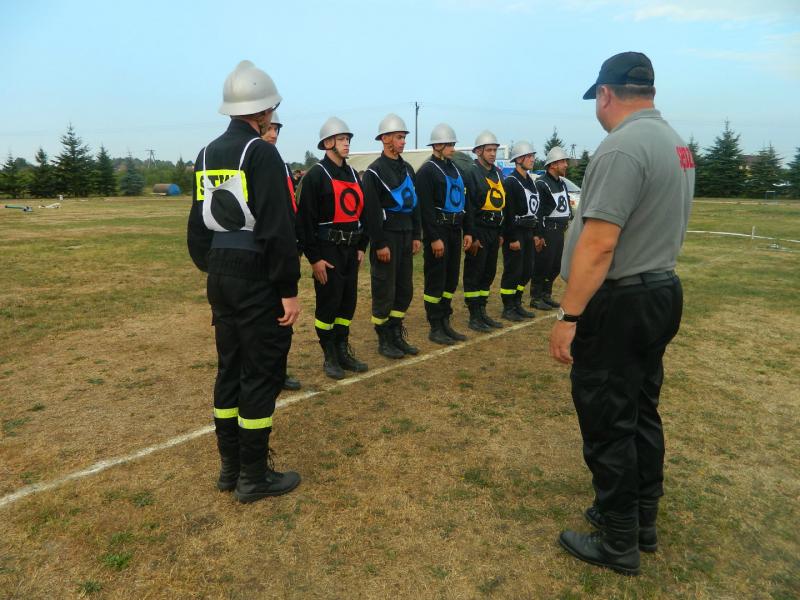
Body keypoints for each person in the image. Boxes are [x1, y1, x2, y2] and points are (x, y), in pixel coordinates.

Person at [550, 51, 694, 575]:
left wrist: (569, 317)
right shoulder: (675, 143)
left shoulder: (622, 146)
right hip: (659, 290)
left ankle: (617, 541)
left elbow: (599, 243)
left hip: (621, 300)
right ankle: (641, 519)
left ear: (606, 94)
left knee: (609, 419)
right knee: (640, 409)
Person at [187, 60, 302, 504]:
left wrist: (215, 266)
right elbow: (277, 227)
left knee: (229, 370)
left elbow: (197, 227)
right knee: (260, 373)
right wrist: (288, 289)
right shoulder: (261, 153)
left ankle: (230, 468)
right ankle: (253, 477)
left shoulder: (205, 154)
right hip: (256, 279)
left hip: (221, 274)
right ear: (264, 111)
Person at [297, 117, 369, 379]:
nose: (347, 143)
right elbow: (304, 222)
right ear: (328, 143)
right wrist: (314, 258)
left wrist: (361, 245)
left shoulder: (353, 175)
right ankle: (329, 354)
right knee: (329, 303)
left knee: (347, 303)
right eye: (341, 139)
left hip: (351, 251)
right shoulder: (316, 175)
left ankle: (342, 349)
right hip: (328, 251)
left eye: (348, 139)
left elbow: (363, 213)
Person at [361, 113, 422, 358]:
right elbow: (371, 212)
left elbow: (414, 204)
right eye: (399, 137)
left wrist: (417, 234)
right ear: (385, 139)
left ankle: (396, 333)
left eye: (404, 137)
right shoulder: (374, 172)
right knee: (384, 288)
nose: (403, 141)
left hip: (406, 234)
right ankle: (384, 338)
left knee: (404, 288)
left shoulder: (408, 169)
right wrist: (379, 243)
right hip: (387, 237)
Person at [415, 123, 473, 345]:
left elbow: (465, 202)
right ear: (437, 145)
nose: (453, 148)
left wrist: (467, 231)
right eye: (449, 144)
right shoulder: (427, 171)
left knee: (450, 279)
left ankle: (445, 321)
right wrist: (434, 238)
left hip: (455, 230)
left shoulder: (455, 169)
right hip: (438, 231)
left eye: (453, 144)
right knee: (436, 280)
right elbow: (425, 209)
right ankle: (435, 325)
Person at [261, 111, 302, 391]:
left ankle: (279, 370)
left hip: (284, 249)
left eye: (277, 129)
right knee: (264, 319)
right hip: (264, 252)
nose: (274, 134)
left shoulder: (282, 165)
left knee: (283, 318)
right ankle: (264, 373)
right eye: (269, 128)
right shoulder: (255, 162)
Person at [462, 130, 506, 332]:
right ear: (478, 151)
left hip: (494, 230)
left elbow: (502, 204)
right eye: (489, 150)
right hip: (479, 229)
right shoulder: (471, 173)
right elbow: (469, 206)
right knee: (475, 272)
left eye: (495, 150)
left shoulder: (497, 173)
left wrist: (501, 232)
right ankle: (474, 315)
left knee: (488, 272)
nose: (493, 154)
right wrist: (473, 235)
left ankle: (482, 311)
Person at [499, 140, 540, 322]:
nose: (532, 159)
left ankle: (517, 302)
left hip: (528, 231)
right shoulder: (511, 182)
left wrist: (535, 233)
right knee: (513, 270)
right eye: (529, 156)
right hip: (515, 232)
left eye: (532, 156)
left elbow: (534, 209)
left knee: (526, 270)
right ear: (518, 159)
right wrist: (512, 237)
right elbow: (508, 212)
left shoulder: (530, 181)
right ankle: (508, 307)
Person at [530, 146, 572, 311]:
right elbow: (538, 211)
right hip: (548, 229)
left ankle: (546, 294)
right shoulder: (541, 183)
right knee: (543, 264)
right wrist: (538, 235)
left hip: (559, 230)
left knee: (555, 266)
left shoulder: (561, 183)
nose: (566, 165)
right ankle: (536, 297)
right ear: (553, 164)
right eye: (563, 162)